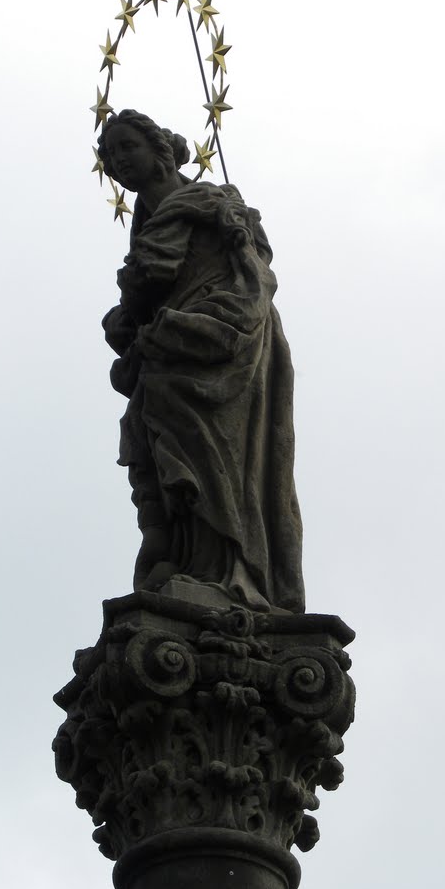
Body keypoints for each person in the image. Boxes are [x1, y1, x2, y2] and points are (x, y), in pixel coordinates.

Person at [98, 109, 304, 613]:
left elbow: (248, 272)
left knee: (206, 443)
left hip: (222, 343)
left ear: (159, 149)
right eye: (110, 156)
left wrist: (153, 315)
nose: (120, 161)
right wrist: (125, 321)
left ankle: (230, 569)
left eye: (128, 147)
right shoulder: (151, 219)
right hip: (173, 344)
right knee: (155, 437)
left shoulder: (209, 203)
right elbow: (148, 292)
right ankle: (188, 559)